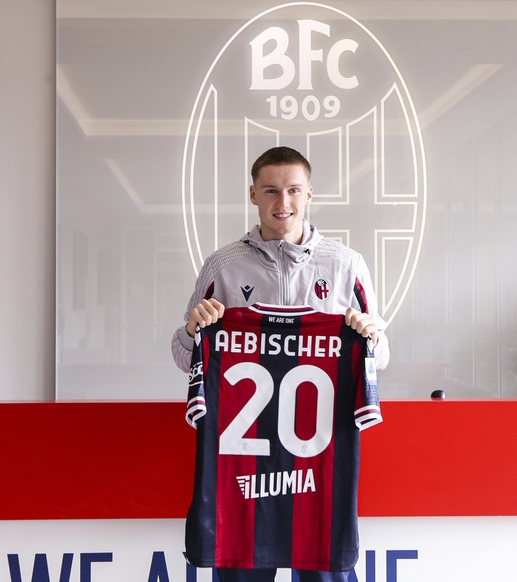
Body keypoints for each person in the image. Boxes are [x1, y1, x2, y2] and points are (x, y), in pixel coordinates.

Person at [171, 146, 390, 582]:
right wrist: (193, 333)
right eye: (271, 191)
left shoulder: (346, 264)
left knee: (324, 566)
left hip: (320, 462)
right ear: (253, 195)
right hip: (243, 465)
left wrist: (371, 337)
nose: (282, 203)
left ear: (310, 193)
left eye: (292, 190)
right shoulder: (223, 266)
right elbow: (184, 357)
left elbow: (378, 360)